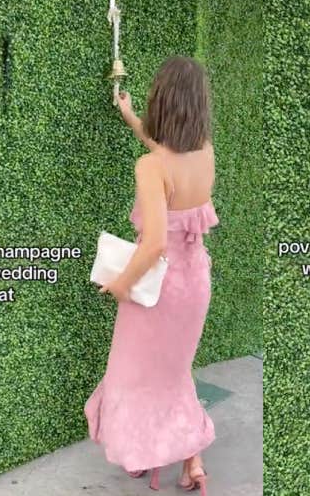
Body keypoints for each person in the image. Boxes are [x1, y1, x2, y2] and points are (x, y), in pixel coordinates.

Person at [85, 57, 219, 494]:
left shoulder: (151, 168)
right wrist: (131, 120)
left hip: (156, 288)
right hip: (195, 282)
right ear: (198, 105)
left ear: (161, 100)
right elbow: (165, 152)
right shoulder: (204, 152)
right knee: (175, 372)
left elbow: (155, 243)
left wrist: (122, 284)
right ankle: (192, 461)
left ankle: (144, 450)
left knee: (134, 374)